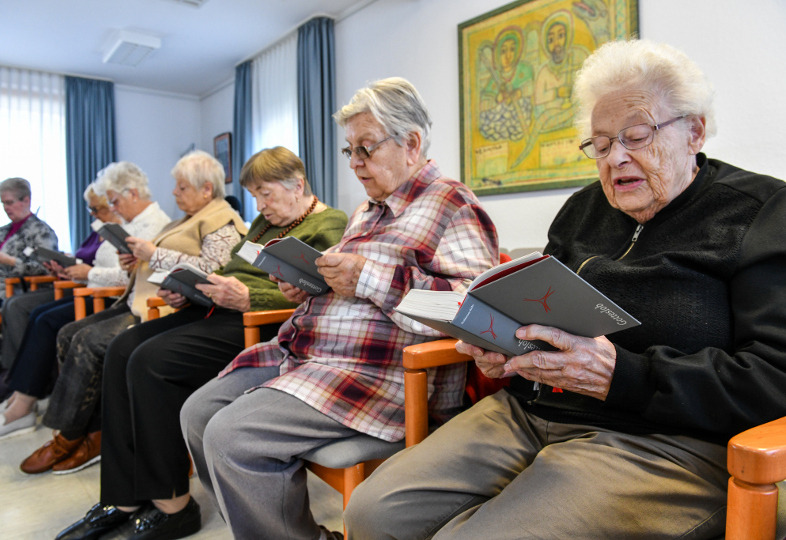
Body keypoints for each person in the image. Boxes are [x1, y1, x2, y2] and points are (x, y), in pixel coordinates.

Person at [344, 40, 786, 539]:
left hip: (660, 440)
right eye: (600, 145)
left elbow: (774, 376)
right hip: (530, 409)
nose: (616, 158)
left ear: (695, 131)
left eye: (637, 136)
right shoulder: (582, 208)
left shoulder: (760, 213)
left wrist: (624, 376)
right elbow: (538, 307)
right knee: (372, 511)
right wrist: (502, 346)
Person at [174, 77, 499, 540]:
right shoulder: (367, 210)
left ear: (411, 143)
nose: (355, 164)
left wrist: (365, 276)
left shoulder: (453, 203)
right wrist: (308, 287)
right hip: (308, 354)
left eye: (366, 148)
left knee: (232, 437)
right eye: (350, 151)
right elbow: (350, 287)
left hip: (378, 374)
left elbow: (468, 310)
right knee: (197, 413)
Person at [56, 146, 348, 540]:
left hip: (257, 321)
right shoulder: (262, 222)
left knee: (151, 361)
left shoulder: (329, 222)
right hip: (220, 306)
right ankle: (124, 496)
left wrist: (250, 298)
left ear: (297, 186)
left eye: (266, 193)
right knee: (120, 350)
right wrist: (191, 289)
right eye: (255, 196)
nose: (260, 205)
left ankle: (172, 503)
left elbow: (318, 292)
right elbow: (230, 269)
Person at [14, 158, 177, 470]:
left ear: (132, 193)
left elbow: (126, 275)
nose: (112, 208)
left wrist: (94, 272)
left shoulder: (155, 225)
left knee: (87, 340)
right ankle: (91, 431)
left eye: (114, 201)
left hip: (146, 304)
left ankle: (70, 435)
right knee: (66, 333)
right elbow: (123, 272)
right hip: (126, 298)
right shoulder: (129, 224)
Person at [0, 183, 125, 439]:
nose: (93, 213)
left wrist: (85, 272)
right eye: (91, 209)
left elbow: (121, 275)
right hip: (83, 285)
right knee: (39, 315)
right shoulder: (97, 230)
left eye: (98, 207)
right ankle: (20, 392)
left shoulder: (121, 231)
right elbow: (84, 262)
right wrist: (68, 268)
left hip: (102, 293)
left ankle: (26, 396)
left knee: (41, 317)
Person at [0, 177, 58, 302]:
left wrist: (11, 261)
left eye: (9, 202)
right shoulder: (3, 231)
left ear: (26, 200)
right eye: (3, 203)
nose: (5, 208)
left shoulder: (42, 232)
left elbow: (45, 269)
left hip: (17, 292)